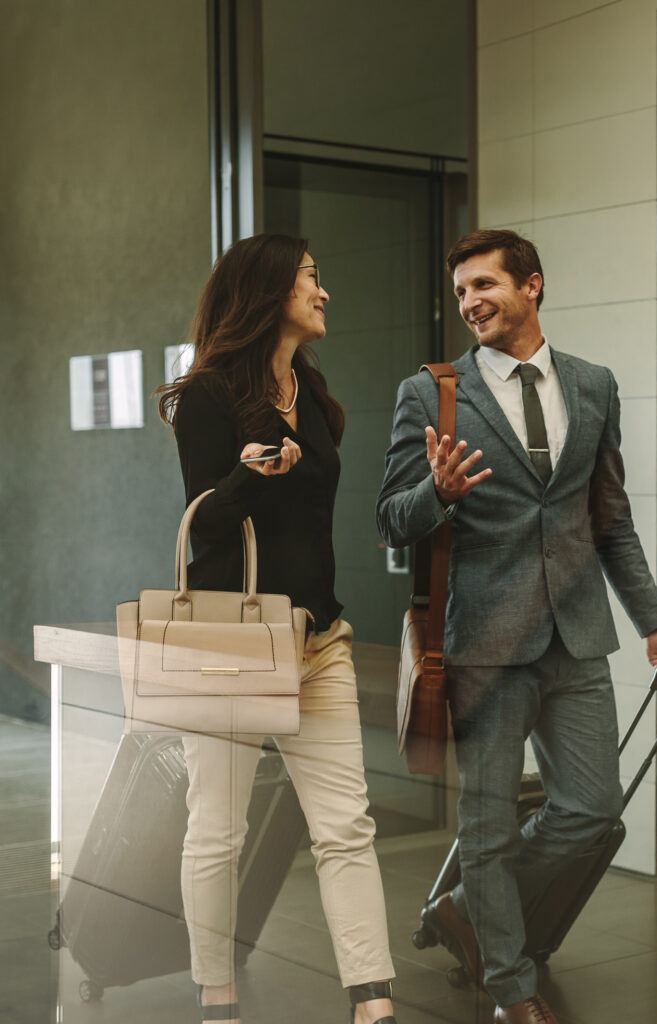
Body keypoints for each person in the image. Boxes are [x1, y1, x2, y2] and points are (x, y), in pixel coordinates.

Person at [375, 229, 657, 1024]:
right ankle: (510, 989)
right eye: (461, 293)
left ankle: (470, 911)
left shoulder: (594, 385)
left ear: (533, 286)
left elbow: (609, 519)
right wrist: (437, 495)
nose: (471, 303)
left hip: (578, 635)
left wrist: (655, 623)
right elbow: (390, 521)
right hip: (483, 640)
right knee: (485, 825)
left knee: (592, 811)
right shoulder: (433, 392)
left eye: (485, 285)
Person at [157, 234, 397, 1024]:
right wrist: (248, 474)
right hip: (230, 646)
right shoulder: (209, 396)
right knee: (218, 832)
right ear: (269, 294)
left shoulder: (313, 391)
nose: (323, 293)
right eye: (310, 280)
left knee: (344, 827)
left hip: (318, 640)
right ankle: (217, 994)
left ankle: (372, 1000)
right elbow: (204, 524)